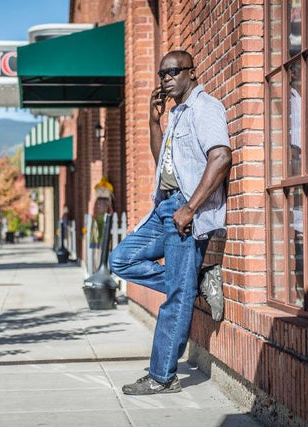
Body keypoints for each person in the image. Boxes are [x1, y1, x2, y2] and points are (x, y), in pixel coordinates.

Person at [109, 50, 231, 395]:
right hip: (164, 209)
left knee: (176, 296)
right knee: (121, 259)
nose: (166, 79)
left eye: (173, 72)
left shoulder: (205, 108)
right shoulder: (176, 113)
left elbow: (220, 157)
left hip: (184, 213)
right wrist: (153, 121)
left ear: (192, 72)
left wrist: (190, 209)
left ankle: (162, 376)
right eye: (162, 74)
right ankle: (197, 280)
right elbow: (162, 160)